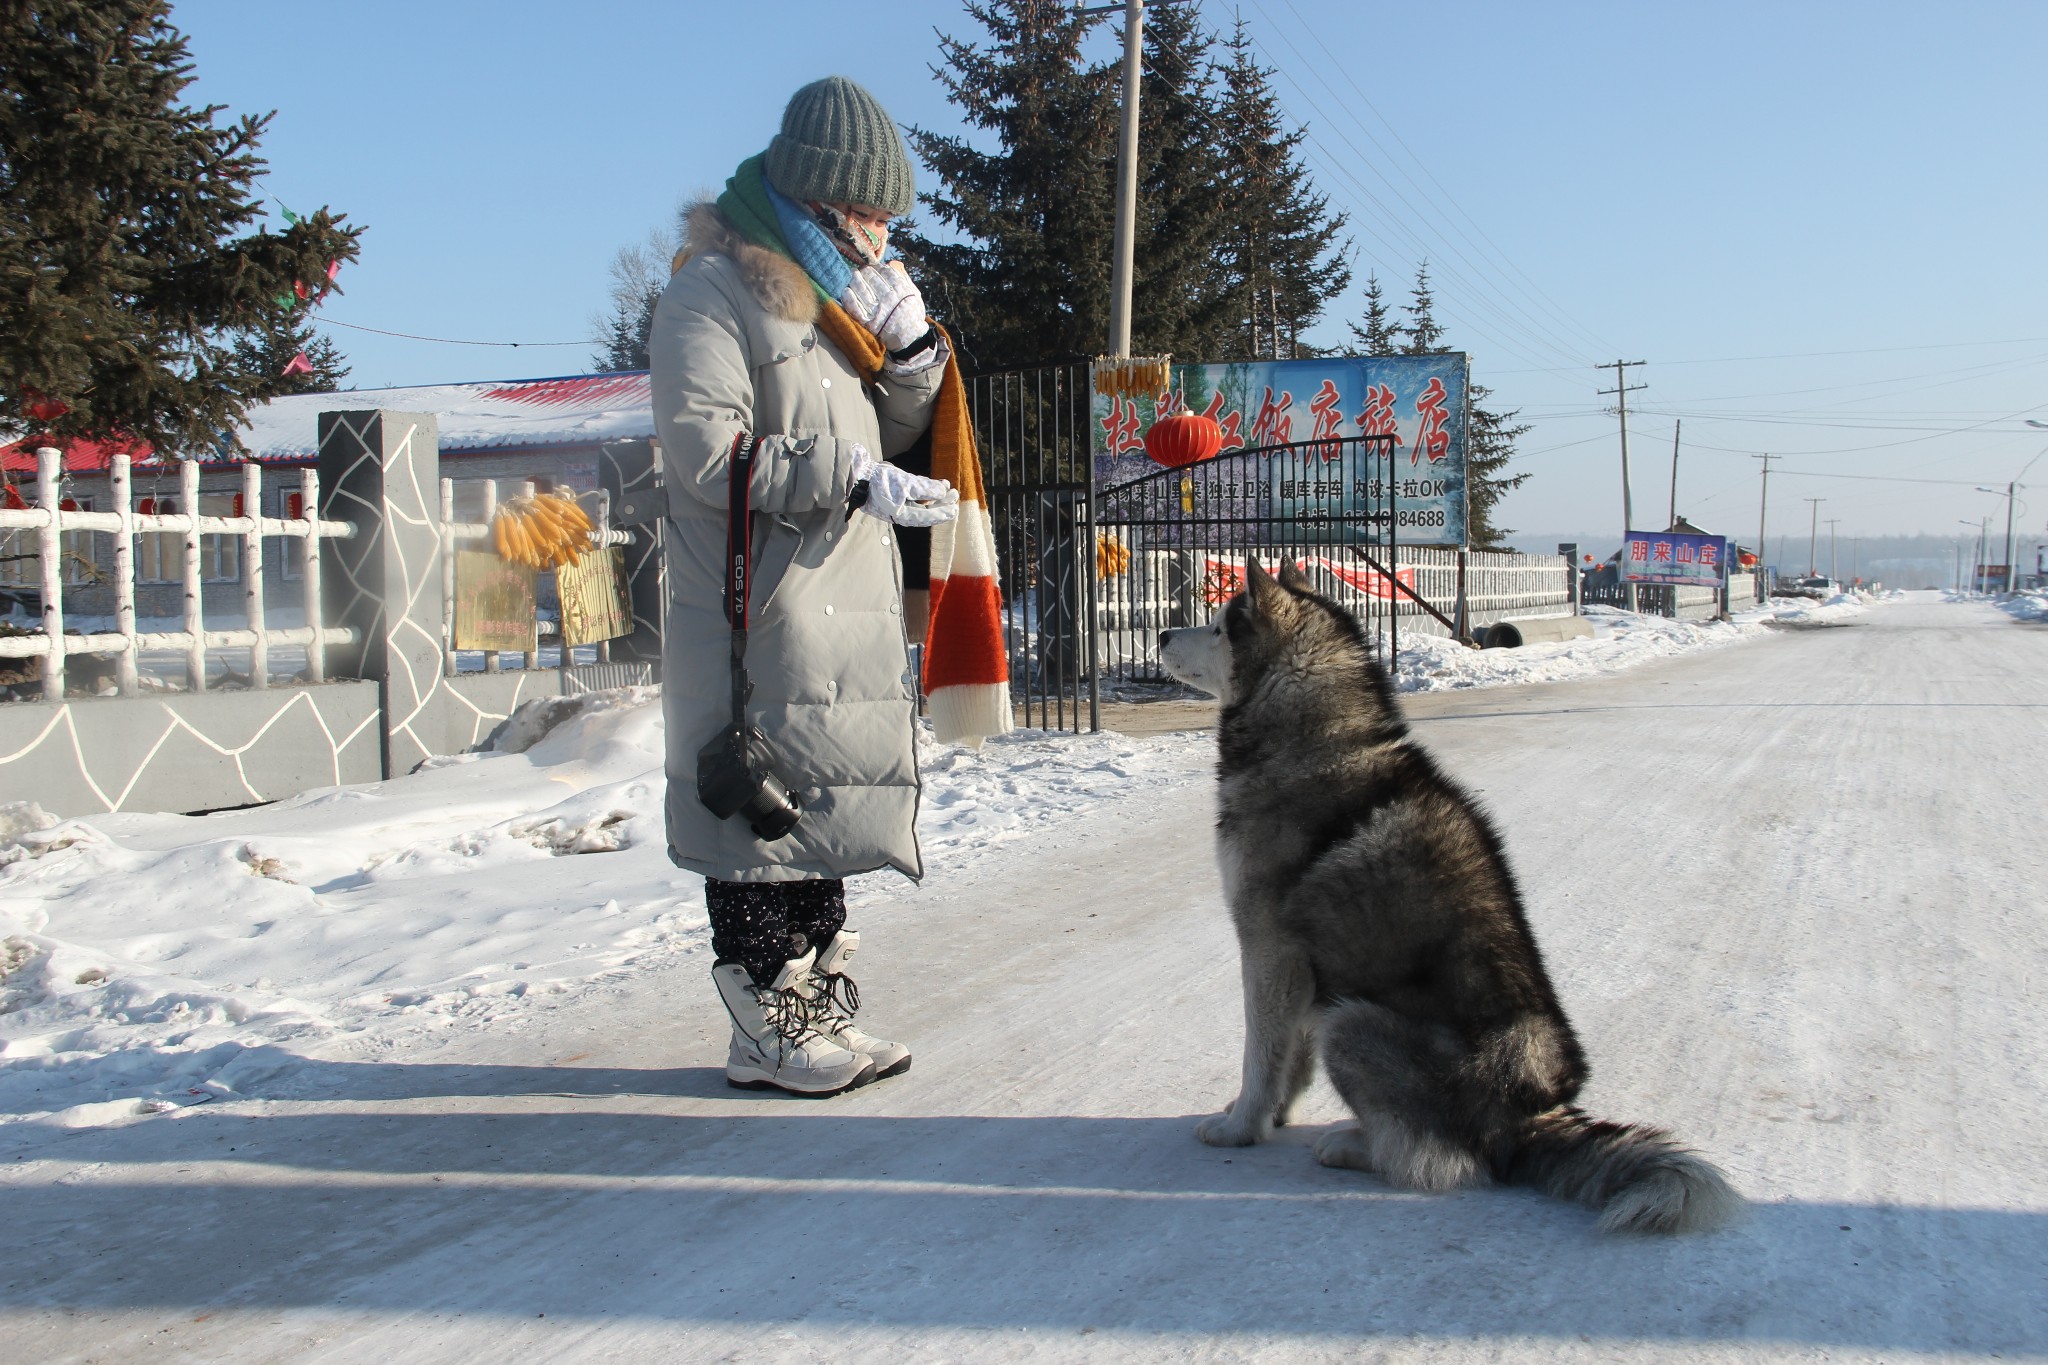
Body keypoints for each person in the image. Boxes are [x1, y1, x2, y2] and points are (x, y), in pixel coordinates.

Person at [649, 77, 962, 1097]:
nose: (880, 234)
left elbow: (899, 431)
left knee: (814, 810)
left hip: (832, 614)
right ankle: (767, 1026)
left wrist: (909, 353)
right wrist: (847, 475)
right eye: (867, 213)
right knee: (753, 823)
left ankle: (813, 1009)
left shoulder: (838, 305)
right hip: (753, 619)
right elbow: (703, 456)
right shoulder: (711, 291)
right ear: (816, 201)